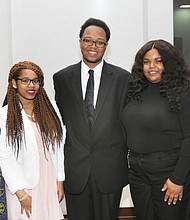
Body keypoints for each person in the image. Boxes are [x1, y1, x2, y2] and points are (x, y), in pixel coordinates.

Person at [53, 18, 130, 220]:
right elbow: (60, 125)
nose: (93, 46)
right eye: (88, 40)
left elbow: (127, 123)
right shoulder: (61, 79)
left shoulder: (124, 79)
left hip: (110, 170)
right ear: (80, 42)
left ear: (106, 45)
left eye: (99, 42)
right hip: (75, 170)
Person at [121, 39, 190, 220]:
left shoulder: (183, 91)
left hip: (169, 176)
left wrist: (178, 179)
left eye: (159, 61)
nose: (152, 66)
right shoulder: (134, 90)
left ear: (169, 63)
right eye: (146, 62)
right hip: (137, 175)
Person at [0, 61, 65, 220]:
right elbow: (5, 157)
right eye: (25, 80)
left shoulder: (51, 108)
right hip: (24, 184)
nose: (31, 85)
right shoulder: (5, 115)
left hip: (48, 178)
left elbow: (58, 147)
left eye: (36, 81)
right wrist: (20, 193)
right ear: (14, 83)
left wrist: (60, 180)